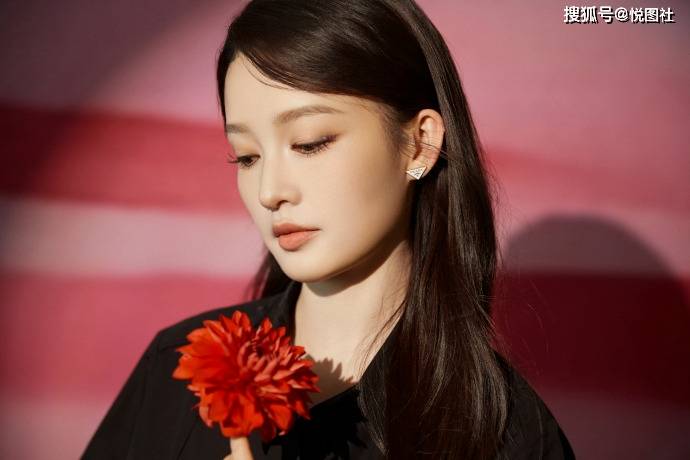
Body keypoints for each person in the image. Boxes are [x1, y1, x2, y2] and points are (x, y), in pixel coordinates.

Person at [82, 0, 576, 458]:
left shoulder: (508, 434)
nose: (269, 190)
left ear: (420, 143)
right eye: (247, 156)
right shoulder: (183, 369)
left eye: (310, 143)